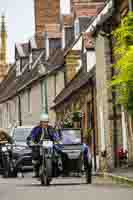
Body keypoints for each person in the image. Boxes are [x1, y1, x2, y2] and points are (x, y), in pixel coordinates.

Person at [27, 113, 61, 178]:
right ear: (41, 122)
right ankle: (36, 171)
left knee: (56, 155)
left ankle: (56, 170)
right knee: (35, 156)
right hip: (39, 145)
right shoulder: (36, 128)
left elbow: (55, 135)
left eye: (46, 122)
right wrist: (31, 141)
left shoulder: (50, 128)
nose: (45, 123)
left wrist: (57, 140)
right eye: (43, 122)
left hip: (50, 145)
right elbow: (32, 136)